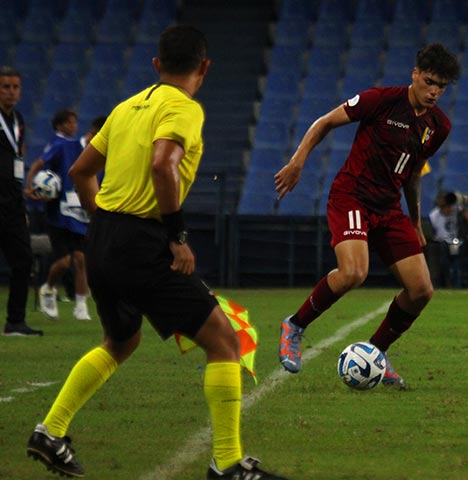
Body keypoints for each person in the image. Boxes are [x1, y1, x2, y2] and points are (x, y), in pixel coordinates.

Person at [26, 26, 286, 479]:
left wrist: (103, 221)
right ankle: (228, 463)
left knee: (121, 341)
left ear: (156, 64)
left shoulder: (126, 107)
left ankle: (50, 431)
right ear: (205, 67)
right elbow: (163, 164)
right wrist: (177, 236)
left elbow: (81, 171)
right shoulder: (183, 108)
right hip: (142, 242)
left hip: (104, 238)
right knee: (225, 340)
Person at [274, 43, 460, 388]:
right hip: (352, 197)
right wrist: (297, 161)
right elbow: (325, 122)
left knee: (421, 290)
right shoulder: (381, 100)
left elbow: (414, 173)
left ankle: (376, 352)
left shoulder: (439, 126)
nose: (435, 91)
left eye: (442, 86)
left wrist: (415, 221)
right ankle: (295, 325)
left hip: (389, 208)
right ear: (415, 74)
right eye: (430, 82)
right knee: (354, 272)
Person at [24, 112, 100, 321]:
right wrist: (29, 186)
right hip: (59, 214)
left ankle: (81, 306)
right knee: (65, 262)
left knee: (82, 260)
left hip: (80, 215)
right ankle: (48, 288)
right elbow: (39, 163)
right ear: (94, 133)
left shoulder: (99, 156)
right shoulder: (64, 146)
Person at [0, 65, 41, 336]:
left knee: (23, 260)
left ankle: (15, 321)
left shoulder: (18, 120)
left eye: (15, 87)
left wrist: (22, 202)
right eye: (6, 87)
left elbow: (17, 159)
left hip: (12, 204)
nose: (11, 92)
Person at [428, 190, 468, 288]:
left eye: (450, 205)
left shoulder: (459, 211)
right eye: (445, 206)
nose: (449, 208)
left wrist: (467, 217)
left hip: (460, 242)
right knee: (443, 249)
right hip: (443, 245)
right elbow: (433, 236)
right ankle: (448, 281)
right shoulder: (434, 216)